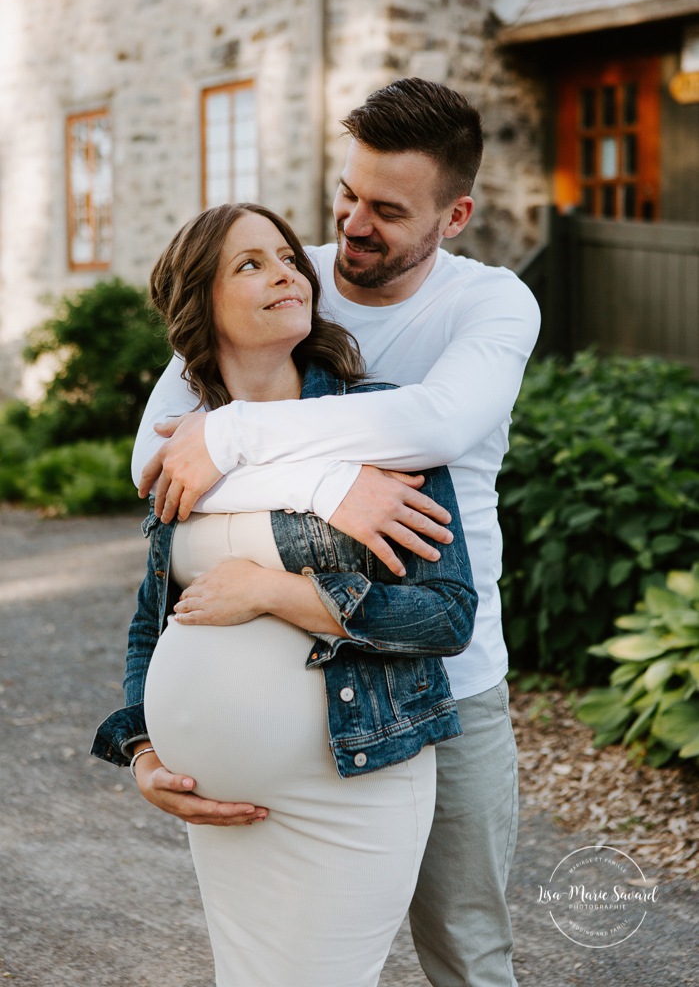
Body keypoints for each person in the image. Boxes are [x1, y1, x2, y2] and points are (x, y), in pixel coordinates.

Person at [132, 78, 541, 987]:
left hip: (447, 681)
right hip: (287, 717)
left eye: (387, 211)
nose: (352, 225)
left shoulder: (492, 305)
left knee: (467, 952)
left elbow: (433, 424)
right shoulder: (285, 279)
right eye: (345, 195)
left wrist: (235, 435)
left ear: (456, 214)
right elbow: (151, 464)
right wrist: (332, 483)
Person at [92, 202, 478, 987]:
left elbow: (445, 614)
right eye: (249, 264)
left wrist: (274, 591)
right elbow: (150, 621)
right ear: (201, 303)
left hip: (351, 784)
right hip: (220, 805)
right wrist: (143, 748)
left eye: (286, 258)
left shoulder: (378, 419)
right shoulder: (185, 444)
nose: (286, 273)